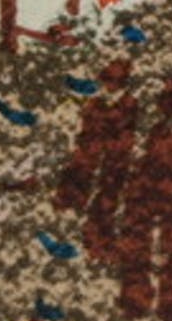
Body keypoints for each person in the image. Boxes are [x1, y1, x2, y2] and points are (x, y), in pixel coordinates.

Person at [121, 78, 172, 321]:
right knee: (140, 249)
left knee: (170, 254)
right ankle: (136, 303)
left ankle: (168, 308)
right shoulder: (151, 128)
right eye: (166, 97)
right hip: (146, 197)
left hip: (166, 199)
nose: (167, 103)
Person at [56, 59, 139, 268]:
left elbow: (124, 139)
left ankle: (98, 246)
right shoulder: (97, 104)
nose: (111, 85)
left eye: (116, 81)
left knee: (107, 197)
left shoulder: (126, 104)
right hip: (92, 161)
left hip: (112, 164)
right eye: (109, 79)